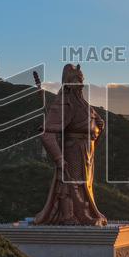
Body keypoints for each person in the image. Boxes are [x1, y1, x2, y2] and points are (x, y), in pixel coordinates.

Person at [34, 64, 108, 226]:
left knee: (84, 184)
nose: (81, 85)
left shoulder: (84, 104)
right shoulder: (63, 104)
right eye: (77, 81)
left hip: (87, 152)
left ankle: (86, 213)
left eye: (82, 80)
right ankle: (71, 216)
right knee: (71, 183)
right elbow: (46, 133)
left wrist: (98, 125)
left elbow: (96, 124)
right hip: (73, 149)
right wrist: (58, 158)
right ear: (68, 82)